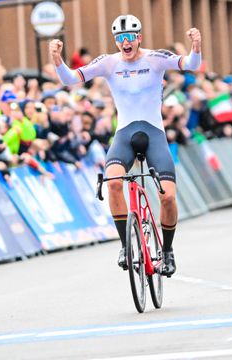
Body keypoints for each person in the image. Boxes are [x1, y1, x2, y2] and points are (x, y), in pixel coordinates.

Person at [49, 14, 202, 276]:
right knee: (114, 183)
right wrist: (58, 61)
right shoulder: (109, 63)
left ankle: (167, 251)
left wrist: (196, 47)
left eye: (129, 37)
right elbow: (70, 79)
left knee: (167, 197)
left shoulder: (155, 58)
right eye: (119, 39)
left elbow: (191, 64)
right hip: (124, 134)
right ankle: (124, 246)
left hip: (153, 134)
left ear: (139, 37)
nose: (125, 43)